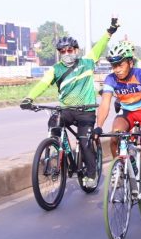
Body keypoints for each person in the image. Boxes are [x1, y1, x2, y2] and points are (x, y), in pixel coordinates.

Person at [21, 18, 119, 188]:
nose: (67, 53)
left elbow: (100, 46)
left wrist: (109, 32)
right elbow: (43, 84)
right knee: (54, 122)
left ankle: (91, 174)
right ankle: (56, 149)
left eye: (70, 50)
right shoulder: (56, 69)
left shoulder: (87, 63)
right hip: (66, 110)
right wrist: (29, 98)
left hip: (85, 111)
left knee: (85, 142)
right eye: (63, 51)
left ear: (76, 50)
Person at [94, 40, 141, 211]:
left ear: (130, 62)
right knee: (114, 136)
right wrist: (98, 126)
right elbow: (105, 104)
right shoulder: (111, 79)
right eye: (113, 65)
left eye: (120, 64)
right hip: (128, 113)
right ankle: (119, 169)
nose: (116, 69)